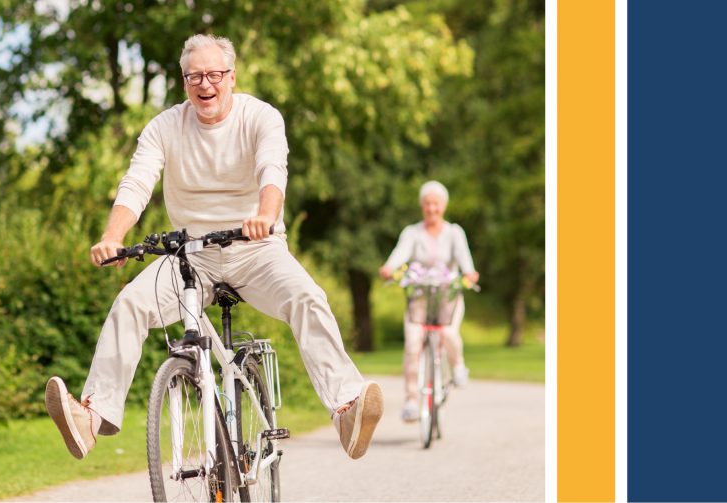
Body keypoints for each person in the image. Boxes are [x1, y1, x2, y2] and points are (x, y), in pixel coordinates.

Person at [44, 34, 383, 461]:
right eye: (194, 77)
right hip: (191, 256)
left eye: (214, 75)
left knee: (307, 297)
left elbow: (272, 170)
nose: (205, 84)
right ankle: (91, 417)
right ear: (184, 82)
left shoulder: (260, 117)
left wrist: (264, 214)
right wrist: (113, 236)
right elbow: (137, 182)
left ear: (231, 77)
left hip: (256, 249)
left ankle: (347, 408)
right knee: (129, 303)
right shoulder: (165, 126)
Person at [378, 181, 480, 422]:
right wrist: (389, 267)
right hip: (419, 298)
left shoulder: (455, 232)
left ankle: (457, 367)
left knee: (449, 333)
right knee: (413, 344)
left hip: (448, 297)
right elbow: (399, 254)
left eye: (436, 204)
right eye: (427, 204)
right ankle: (412, 400)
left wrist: (470, 272)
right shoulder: (412, 233)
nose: (431, 208)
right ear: (422, 206)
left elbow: (466, 261)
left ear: (443, 206)